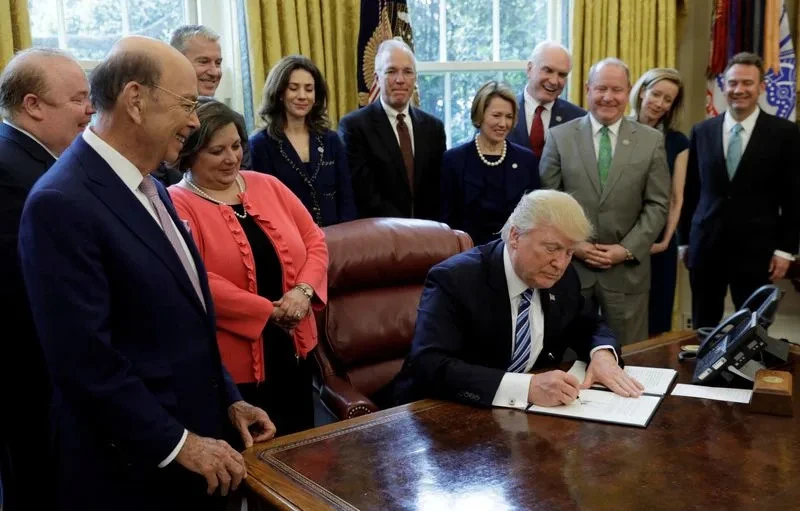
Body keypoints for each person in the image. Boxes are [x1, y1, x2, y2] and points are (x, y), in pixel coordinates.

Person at [17, 36, 275, 510]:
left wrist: (229, 400)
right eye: (187, 103)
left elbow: (186, 318)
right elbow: (86, 362)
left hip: (195, 452)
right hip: (133, 474)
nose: (195, 120)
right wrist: (180, 444)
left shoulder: (150, 185)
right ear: (135, 100)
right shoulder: (62, 202)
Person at [394, 189, 644, 408]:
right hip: (439, 416)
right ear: (515, 236)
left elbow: (589, 324)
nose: (560, 263)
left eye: (569, 252)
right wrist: (525, 388)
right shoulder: (455, 279)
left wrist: (602, 355)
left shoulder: (563, 278)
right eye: (552, 248)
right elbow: (430, 365)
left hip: (525, 421)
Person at [169, 99, 328, 435]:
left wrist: (303, 291)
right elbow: (194, 278)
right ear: (190, 153)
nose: (232, 158)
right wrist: (266, 311)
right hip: (236, 368)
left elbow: (314, 240)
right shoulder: (176, 202)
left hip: (296, 347)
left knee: (306, 452)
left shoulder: (266, 184)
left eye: (236, 146)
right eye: (217, 151)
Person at [0, 47, 94, 511]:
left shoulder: (37, 162)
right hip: (29, 371)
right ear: (33, 105)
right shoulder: (7, 168)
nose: (90, 110)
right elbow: (20, 284)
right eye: (78, 99)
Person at [540, 58, 670, 346]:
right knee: (565, 356)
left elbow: (657, 204)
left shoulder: (651, 141)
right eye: (600, 89)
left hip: (627, 272)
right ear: (587, 89)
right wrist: (575, 246)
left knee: (629, 358)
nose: (608, 97)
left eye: (617, 90)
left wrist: (625, 250)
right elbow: (548, 202)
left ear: (628, 93)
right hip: (569, 269)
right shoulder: (560, 137)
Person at [678, 52, 800, 329]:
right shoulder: (702, 131)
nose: (739, 90)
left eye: (747, 83)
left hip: (757, 251)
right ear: (723, 86)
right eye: (733, 83)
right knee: (702, 327)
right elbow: (692, 191)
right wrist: (684, 241)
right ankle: (701, 373)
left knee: (752, 330)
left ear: (761, 87)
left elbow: (794, 197)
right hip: (706, 246)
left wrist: (785, 250)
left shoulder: (785, 133)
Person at [338, 38, 446, 220]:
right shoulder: (354, 127)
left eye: (407, 72)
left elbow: (438, 189)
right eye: (391, 71)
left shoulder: (433, 128)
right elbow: (363, 192)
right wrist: (404, 228)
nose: (400, 80)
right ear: (377, 78)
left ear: (415, 78)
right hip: (379, 236)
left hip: (428, 235)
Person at [249, 55, 356, 226]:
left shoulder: (331, 140)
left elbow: (347, 199)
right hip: (289, 241)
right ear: (279, 93)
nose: (302, 96)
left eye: (309, 89)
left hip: (336, 239)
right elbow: (264, 206)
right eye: (293, 88)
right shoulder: (260, 144)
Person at [440, 80, 539, 245]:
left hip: (514, 253)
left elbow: (535, 217)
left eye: (509, 116)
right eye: (496, 115)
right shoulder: (454, 160)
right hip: (466, 255)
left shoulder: (526, 160)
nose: (503, 123)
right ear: (480, 115)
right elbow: (446, 221)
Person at [629, 68, 688, 335]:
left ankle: (655, 375)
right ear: (642, 92)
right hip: (622, 237)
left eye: (668, 100)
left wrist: (666, 240)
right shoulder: (616, 129)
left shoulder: (678, 141)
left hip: (658, 244)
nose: (660, 104)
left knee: (657, 316)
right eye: (656, 94)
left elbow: (677, 197)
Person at [507, 41, 586, 157]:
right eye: (548, 70)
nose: (554, 81)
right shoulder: (502, 111)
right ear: (529, 69)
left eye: (562, 75)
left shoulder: (579, 119)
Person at [170, 24, 223, 97]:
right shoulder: (155, 106)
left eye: (218, 63)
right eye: (204, 62)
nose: (214, 73)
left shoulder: (217, 108)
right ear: (177, 63)